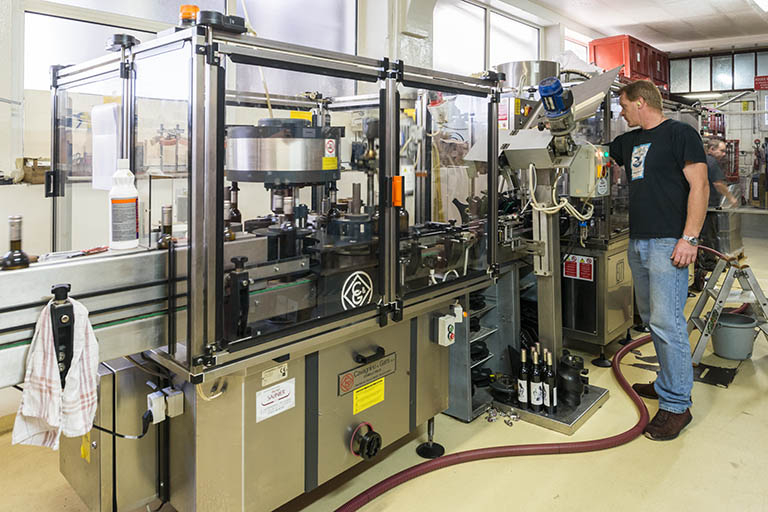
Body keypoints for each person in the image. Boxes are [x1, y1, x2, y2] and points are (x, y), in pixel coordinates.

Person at [609, 80, 709, 441]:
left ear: (639, 103)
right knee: (653, 320)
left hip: (670, 242)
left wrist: (690, 238)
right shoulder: (629, 141)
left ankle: (676, 406)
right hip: (639, 242)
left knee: (668, 324)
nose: (620, 112)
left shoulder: (680, 134)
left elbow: (700, 187)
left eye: (623, 105)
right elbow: (595, 156)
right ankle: (669, 382)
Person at [691, 138, 738, 291]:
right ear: (711, 149)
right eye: (722, 150)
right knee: (708, 237)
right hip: (708, 206)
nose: (724, 154)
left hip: (701, 205)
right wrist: (731, 198)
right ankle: (707, 269)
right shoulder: (711, 162)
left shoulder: (702, 161)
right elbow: (718, 184)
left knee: (704, 236)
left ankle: (702, 266)